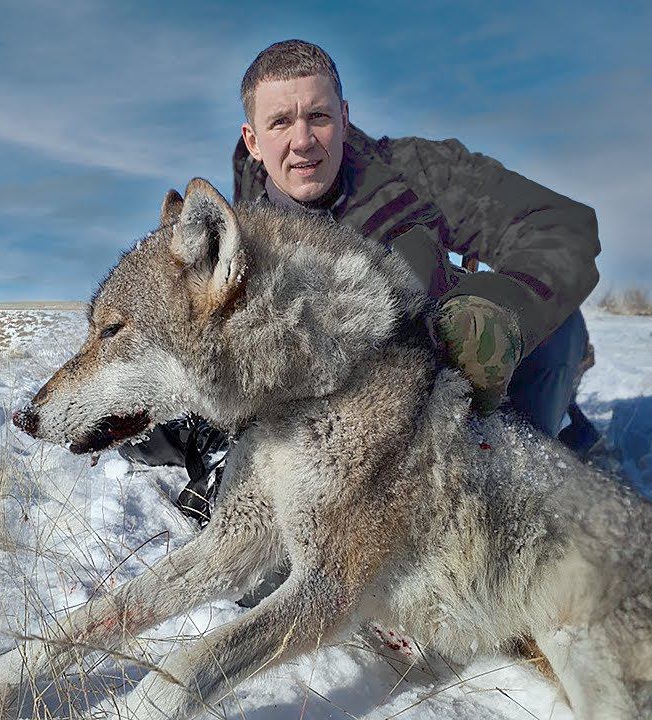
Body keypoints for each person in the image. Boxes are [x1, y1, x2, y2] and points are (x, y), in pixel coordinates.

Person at [123, 39, 602, 524]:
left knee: (554, 332)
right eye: (280, 122)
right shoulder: (237, 238)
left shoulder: (415, 171)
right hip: (352, 424)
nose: (303, 139)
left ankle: (553, 444)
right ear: (252, 140)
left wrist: (497, 310)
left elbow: (558, 227)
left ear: (345, 117)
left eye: (319, 116)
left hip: (453, 387)